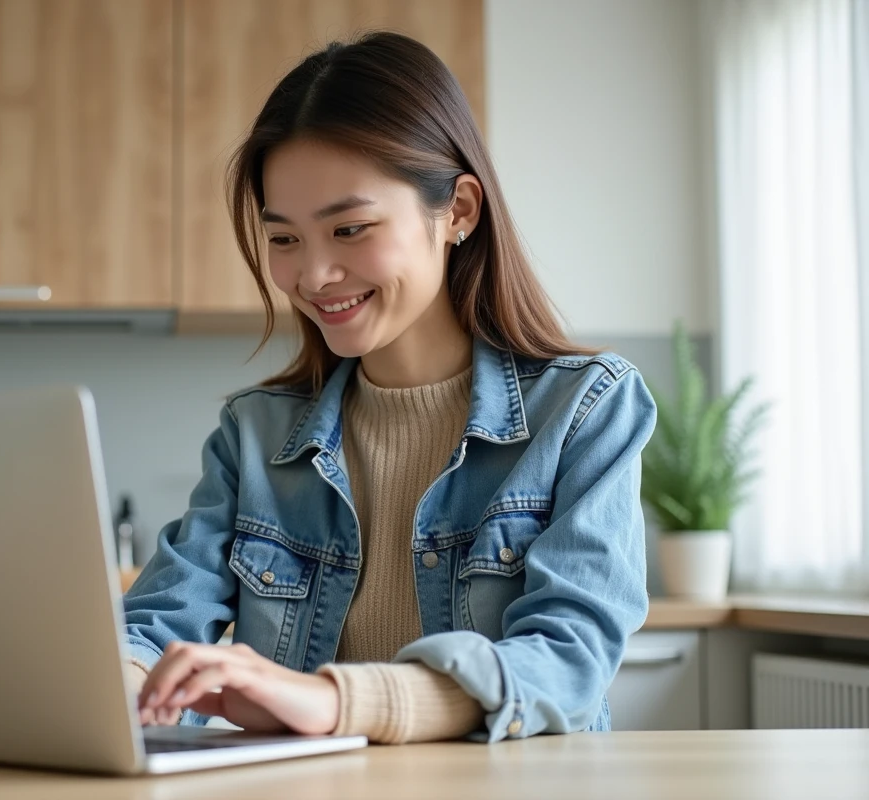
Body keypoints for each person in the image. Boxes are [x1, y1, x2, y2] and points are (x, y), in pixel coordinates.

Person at [122, 31, 656, 744]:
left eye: (350, 228)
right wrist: (119, 688)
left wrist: (338, 701)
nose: (312, 276)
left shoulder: (586, 410)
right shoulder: (254, 435)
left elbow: (566, 659)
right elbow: (156, 626)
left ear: (459, 212)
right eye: (283, 239)